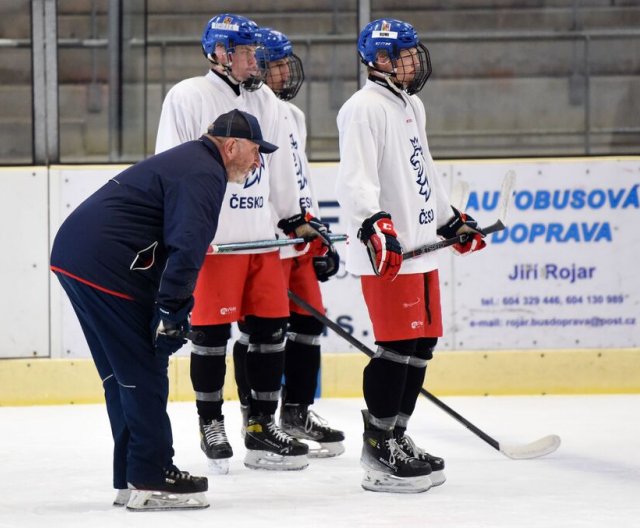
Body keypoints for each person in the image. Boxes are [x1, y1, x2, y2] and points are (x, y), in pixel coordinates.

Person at [49, 108, 273, 511]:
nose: (259, 161)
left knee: (122, 375)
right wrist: (172, 311)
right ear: (232, 145)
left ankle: (130, 477)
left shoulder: (191, 161)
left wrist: (170, 307)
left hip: (78, 256)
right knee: (143, 369)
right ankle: (152, 476)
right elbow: (187, 248)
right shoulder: (206, 173)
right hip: (104, 265)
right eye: (257, 151)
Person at [156, 13, 329, 473]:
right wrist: (181, 230)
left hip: (262, 241)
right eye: (247, 52)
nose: (256, 60)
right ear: (220, 54)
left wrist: (295, 219)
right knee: (210, 337)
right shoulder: (189, 95)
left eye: (255, 51)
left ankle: (261, 427)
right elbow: (171, 164)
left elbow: (280, 167)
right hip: (215, 244)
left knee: (270, 334)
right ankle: (210, 422)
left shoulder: (267, 99)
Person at [335, 18, 486, 493]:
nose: (412, 62)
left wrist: (449, 219)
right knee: (396, 346)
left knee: (421, 347)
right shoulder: (362, 108)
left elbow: (424, 173)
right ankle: (378, 447)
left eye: (412, 53)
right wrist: (372, 222)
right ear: (378, 60)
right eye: (402, 54)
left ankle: (397, 434)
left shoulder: (410, 105)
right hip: (390, 252)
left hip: (422, 248)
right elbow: (355, 178)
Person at [232, 27, 344, 458]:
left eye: (284, 63)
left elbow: (300, 182)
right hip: (264, 241)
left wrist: (319, 235)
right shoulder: (246, 110)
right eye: (274, 63)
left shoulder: (292, 116)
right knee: (259, 329)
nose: (282, 71)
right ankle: (254, 414)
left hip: (298, 238)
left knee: (310, 323)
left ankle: (296, 413)